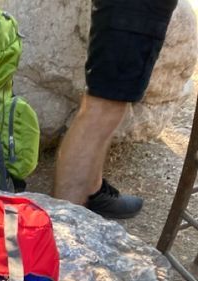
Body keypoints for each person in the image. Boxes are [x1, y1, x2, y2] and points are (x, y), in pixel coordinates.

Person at [53, 0, 178, 218]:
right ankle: (61, 226)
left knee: (109, 102)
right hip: (136, 8)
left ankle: (92, 190)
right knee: (103, 107)